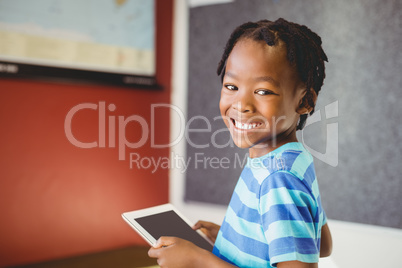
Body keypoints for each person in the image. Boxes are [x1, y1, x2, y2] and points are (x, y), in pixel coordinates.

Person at [148, 18, 332, 268]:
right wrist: (231, 238)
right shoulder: (295, 159)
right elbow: (320, 244)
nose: (241, 105)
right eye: (231, 86)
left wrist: (200, 260)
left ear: (305, 101)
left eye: (263, 91)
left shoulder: (277, 179)